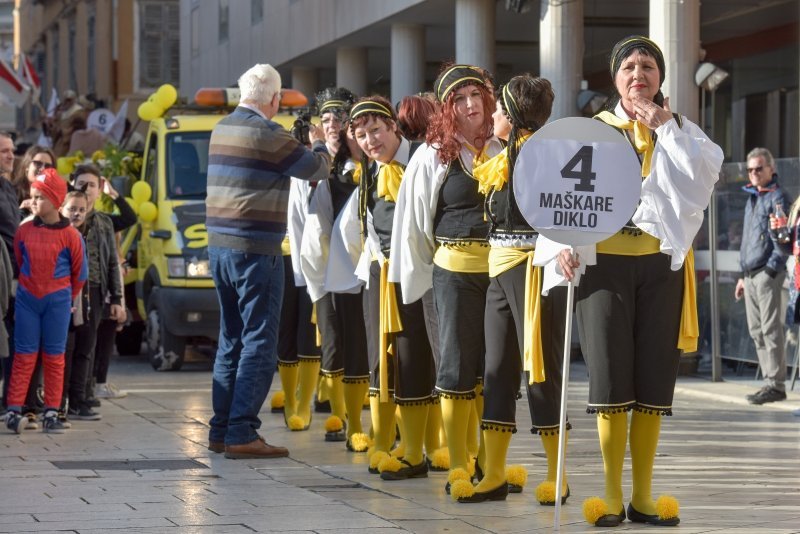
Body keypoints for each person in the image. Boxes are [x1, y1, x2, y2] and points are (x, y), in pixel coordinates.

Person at [556, 36, 723, 527]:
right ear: (615, 78)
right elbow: (560, 199)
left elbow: (702, 179)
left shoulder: (683, 130)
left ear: (660, 77)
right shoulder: (590, 132)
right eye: (628, 66)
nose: (638, 74)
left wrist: (667, 129)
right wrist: (563, 243)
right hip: (604, 264)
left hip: (661, 267)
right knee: (610, 378)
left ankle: (644, 494)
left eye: (647, 66)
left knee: (653, 379)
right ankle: (609, 493)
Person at [205, 63, 330, 459]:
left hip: (219, 247)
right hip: (255, 250)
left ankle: (221, 430)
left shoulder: (222, 127)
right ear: (275, 100)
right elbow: (316, 170)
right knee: (260, 340)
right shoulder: (268, 132)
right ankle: (242, 432)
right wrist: (322, 141)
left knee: (231, 339)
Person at [392, 64, 503, 495]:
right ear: (446, 107)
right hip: (453, 273)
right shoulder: (431, 155)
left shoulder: (504, 148)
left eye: (477, 95)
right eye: (460, 98)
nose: (471, 105)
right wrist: (423, 284)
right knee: (456, 367)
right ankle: (460, 464)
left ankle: (489, 463)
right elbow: (415, 228)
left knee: (494, 369)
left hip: (499, 273)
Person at [456, 75, 563, 504]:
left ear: (514, 115)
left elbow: (562, 215)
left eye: (499, 108)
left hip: (531, 269)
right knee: (496, 370)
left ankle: (558, 475)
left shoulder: (542, 155)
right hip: (498, 270)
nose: (493, 114)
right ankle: (494, 473)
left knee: (540, 372)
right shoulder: (505, 156)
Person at [291, 87, 361, 442]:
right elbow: (300, 219)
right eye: (327, 120)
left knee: (356, 338)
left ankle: (359, 415)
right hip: (321, 266)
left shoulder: (358, 164)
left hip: (354, 267)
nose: (333, 125)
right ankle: (337, 414)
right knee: (331, 338)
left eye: (339, 119)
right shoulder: (313, 164)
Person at [4, 167, 87, 434]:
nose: (33, 201)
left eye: (40, 197)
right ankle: (14, 408)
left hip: (58, 302)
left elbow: (80, 273)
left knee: (54, 356)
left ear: (55, 200)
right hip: (28, 300)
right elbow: (19, 257)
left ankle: (52, 410)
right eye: (32, 196)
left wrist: (67, 298)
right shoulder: (24, 229)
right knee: (24, 355)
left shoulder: (71, 235)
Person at [62, 165, 125, 421]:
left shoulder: (103, 222)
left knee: (87, 346)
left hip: (95, 290)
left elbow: (112, 263)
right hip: (65, 292)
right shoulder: (64, 222)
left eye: (91, 185)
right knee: (66, 347)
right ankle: (60, 399)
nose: (86, 190)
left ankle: (79, 399)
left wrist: (117, 299)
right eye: (82, 184)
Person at [736, 147, 791, 405]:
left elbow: (783, 240)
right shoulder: (753, 196)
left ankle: (776, 384)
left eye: (759, 168)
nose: (754, 173)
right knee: (756, 330)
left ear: (772, 169)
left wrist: (770, 271)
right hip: (750, 275)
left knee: (771, 330)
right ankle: (769, 382)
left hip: (767, 275)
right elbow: (749, 240)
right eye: (750, 169)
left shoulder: (777, 197)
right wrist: (742, 275)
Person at [13, 145, 57, 218]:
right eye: (38, 164)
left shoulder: (57, 197)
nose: (42, 169)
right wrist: (20, 212)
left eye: (48, 166)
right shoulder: (9, 192)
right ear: (27, 167)